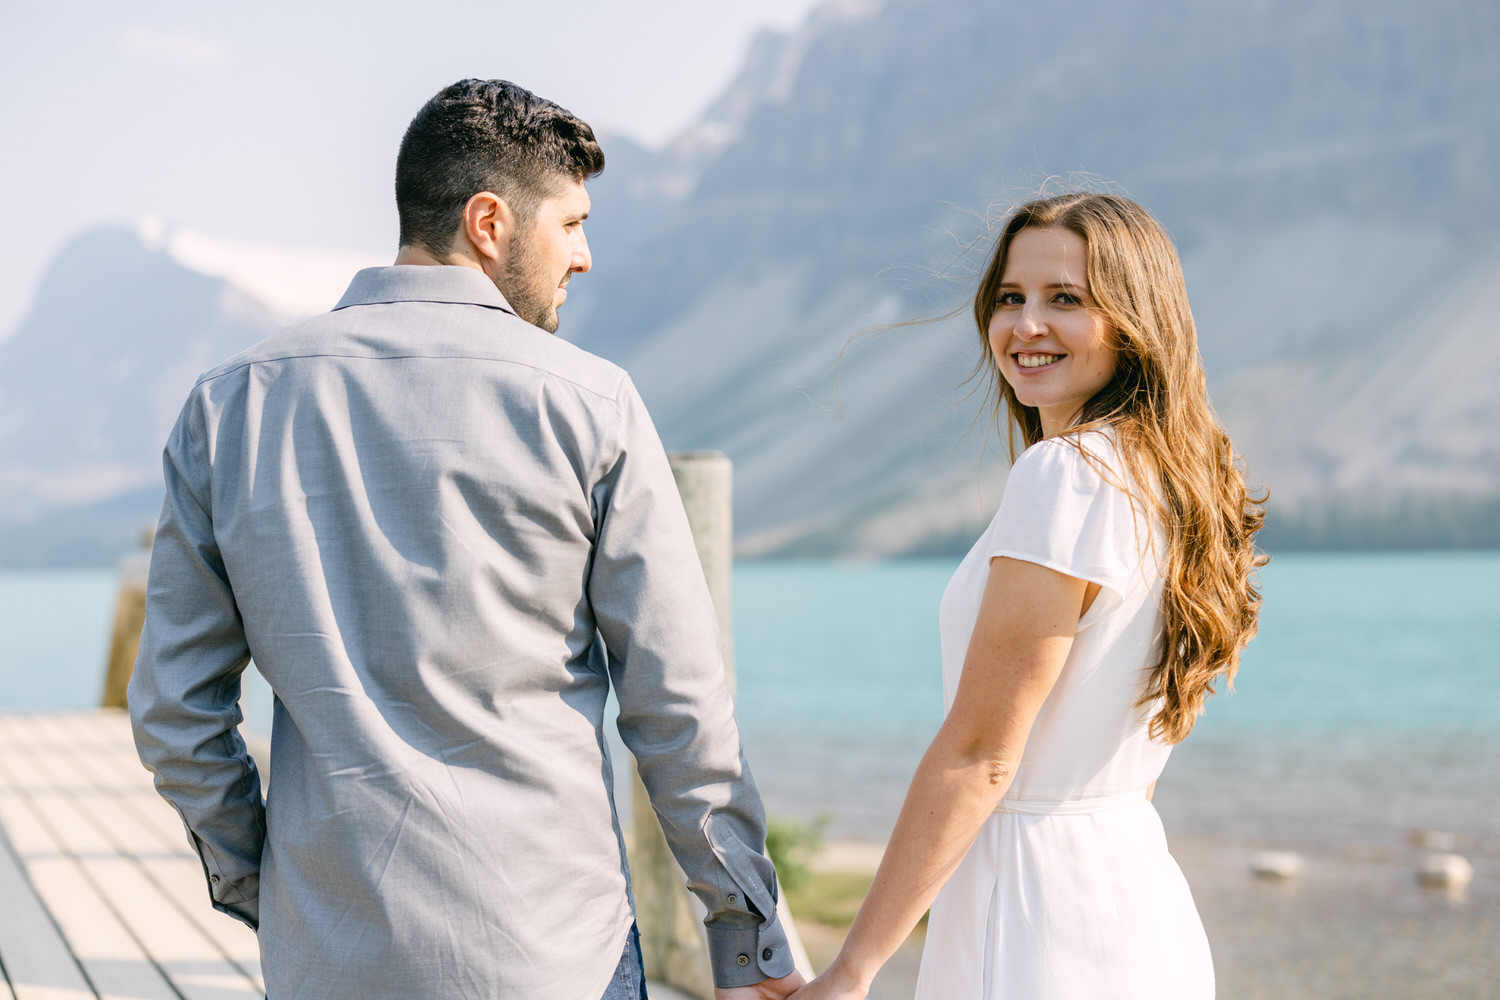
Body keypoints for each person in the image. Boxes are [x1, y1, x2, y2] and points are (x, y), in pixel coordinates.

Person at [129, 78, 805, 1000]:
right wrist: (743, 934)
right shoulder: (590, 403)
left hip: (331, 959)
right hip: (555, 956)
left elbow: (174, 711)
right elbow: (677, 709)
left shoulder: (231, 404)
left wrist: (274, 885)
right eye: (570, 225)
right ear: (490, 223)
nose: (587, 256)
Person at [792, 193, 1265, 999]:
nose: (1026, 325)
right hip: (1137, 899)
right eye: (1010, 298)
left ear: (1134, 322)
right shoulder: (1173, 482)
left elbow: (980, 757)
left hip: (1036, 918)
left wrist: (850, 970)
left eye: (1066, 300)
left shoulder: (1068, 477)